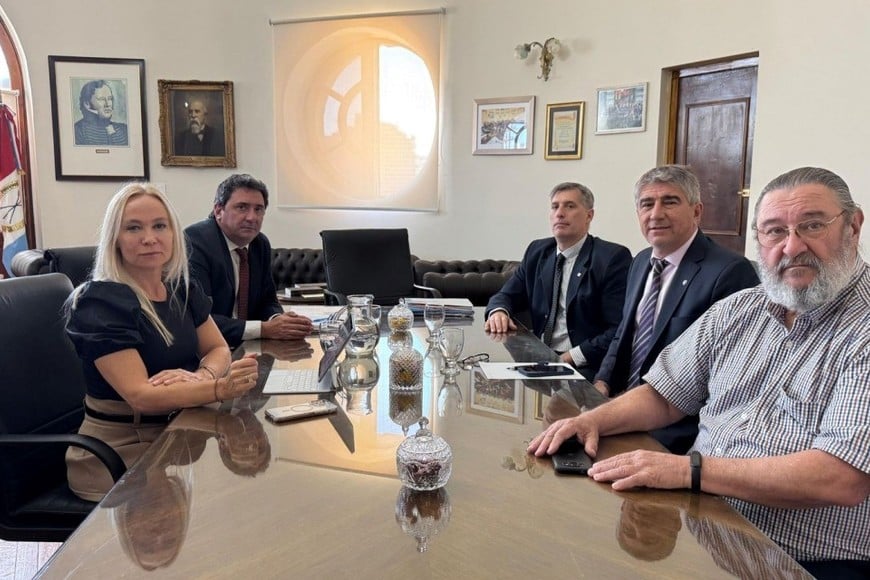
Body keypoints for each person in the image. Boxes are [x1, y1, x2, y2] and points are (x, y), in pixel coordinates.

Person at [530, 167, 870, 577]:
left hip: (806, 557)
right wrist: (590, 421)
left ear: (853, 225)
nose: (792, 246)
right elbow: (663, 393)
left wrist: (686, 469)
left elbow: (841, 479)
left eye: (812, 225)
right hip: (706, 529)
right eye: (775, 232)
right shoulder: (740, 309)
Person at [65, 183, 259, 501]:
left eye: (159, 225)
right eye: (133, 228)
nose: (149, 238)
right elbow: (140, 395)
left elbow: (218, 348)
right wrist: (217, 389)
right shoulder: (100, 302)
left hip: (179, 425)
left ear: (173, 233)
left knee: (246, 485)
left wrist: (202, 376)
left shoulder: (180, 288)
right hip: (122, 448)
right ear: (115, 239)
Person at [593, 165, 759, 454]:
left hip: (675, 428)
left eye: (670, 201)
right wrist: (602, 382)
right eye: (647, 204)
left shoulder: (730, 272)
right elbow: (624, 333)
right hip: (623, 406)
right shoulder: (641, 261)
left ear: (697, 211)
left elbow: (726, 378)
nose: (656, 214)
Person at [485, 182, 631, 379]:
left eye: (570, 206)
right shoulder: (537, 251)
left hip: (585, 364)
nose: (560, 213)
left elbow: (618, 330)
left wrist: (569, 357)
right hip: (538, 359)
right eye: (555, 206)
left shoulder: (611, 258)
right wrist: (498, 311)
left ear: (589, 215)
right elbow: (506, 295)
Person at [185, 174, 312, 348]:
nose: (252, 217)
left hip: (248, 347)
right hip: (208, 352)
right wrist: (264, 329)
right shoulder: (196, 242)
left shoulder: (259, 243)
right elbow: (200, 318)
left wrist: (278, 320)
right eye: (242, 207)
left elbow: (268, 300)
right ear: (218, 211)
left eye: (258, 209)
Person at [74, 80, 129, 146]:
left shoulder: (123, 129)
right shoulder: (78, 131)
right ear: (87, 103)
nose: (107, 104)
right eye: (101, 99)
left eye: (110, 99)